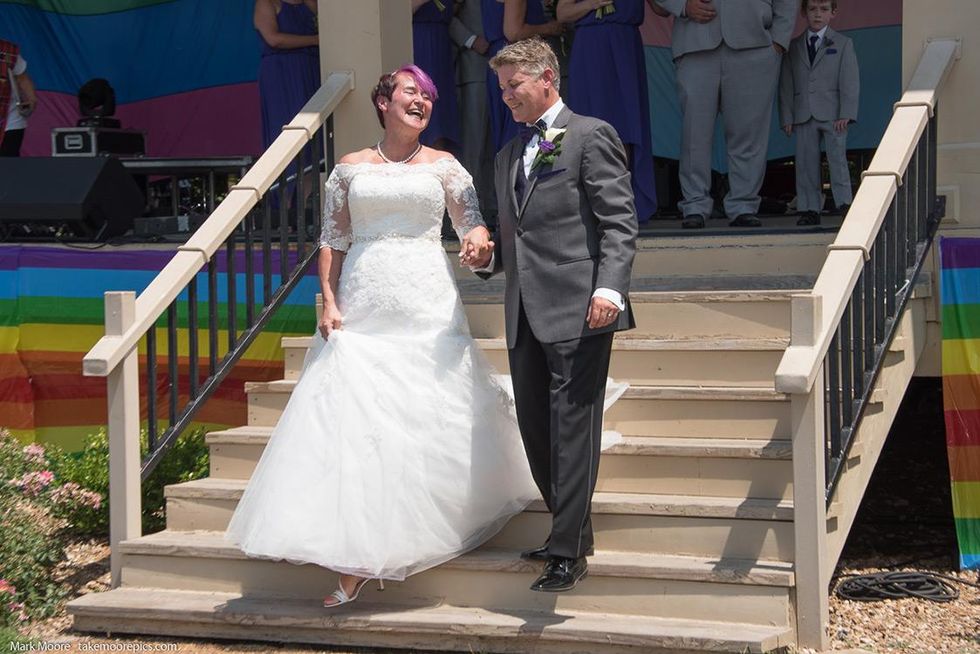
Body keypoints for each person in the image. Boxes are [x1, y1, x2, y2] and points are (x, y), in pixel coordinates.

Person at [225, 65, 542, 608]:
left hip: (426, 297)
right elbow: (333, 239)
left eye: (428, 96)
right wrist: (328, 299)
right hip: (364, 299)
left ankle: (417, 527)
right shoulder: (349, 168)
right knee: (360, 418)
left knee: (423, 407)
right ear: (383, 102)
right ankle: (356, 552)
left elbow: (472, 223)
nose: (421, 101)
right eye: (411, 92)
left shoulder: (445, 166)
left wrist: (479, 243)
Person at [475, 37, 637, 592]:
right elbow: (514, 238)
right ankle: (570, 532)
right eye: (501, 87)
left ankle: (567, 552)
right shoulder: (507, 155)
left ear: (547, 78)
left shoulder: (591, 135)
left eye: (514, 85)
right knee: (537, 429)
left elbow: (619, 222)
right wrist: (486, 258)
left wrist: (610, 289)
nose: (506, 96)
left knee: (572, 427)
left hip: (581, 306)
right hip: (523, 310)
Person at [655, 0, 796, 229]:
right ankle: (694, 205)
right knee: (694, 134)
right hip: (695, 43)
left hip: (755, 44)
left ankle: (744, 204)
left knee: (749, 133)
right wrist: (683, 5)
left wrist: (779, 40)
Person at [557, 0, 660, 223]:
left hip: (624, 44)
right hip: (590, 47)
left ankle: (620, 202)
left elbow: (660, 9)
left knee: (625, 126)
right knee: (586, 127)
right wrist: (593, 3)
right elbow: (563, 13)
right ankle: (591, 204)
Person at [779, 0, 859, 226]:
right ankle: (809, 208)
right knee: (805, 163)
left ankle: (844, 203)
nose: (818, 15)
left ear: (833, 13)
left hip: (834, 114)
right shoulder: (794, 46)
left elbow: (850, 80)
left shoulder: (843, 43)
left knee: (837, 159)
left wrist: (847, 112)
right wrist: (787, 116)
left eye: (824, 10)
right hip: (803, 113)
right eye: (812, 9)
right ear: (804, 12)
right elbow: (786, 83)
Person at [482, 0, 564, 152]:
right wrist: (550, 28)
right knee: (516, 132)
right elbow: (513, 31)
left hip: (504, 62)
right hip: (516, 64)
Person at [449, 0, 497, 221]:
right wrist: (469, 39)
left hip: (506, 65)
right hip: (474, 66)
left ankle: (494, 206)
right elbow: (444, 14)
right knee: (474, 145)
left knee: (496, 143)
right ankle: (469, 210)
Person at [254, 0, 320, 151]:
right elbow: (273, 39)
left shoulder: (310, 3)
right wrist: (314, 40)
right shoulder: (266, 3)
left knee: (312, 118)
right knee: (284, 119)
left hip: (310, 68)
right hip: (281, 71)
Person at [412, 0, 462, 151]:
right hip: (421, 38)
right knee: (426, 96)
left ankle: (443, 151)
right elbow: (399, 12)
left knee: (443, 104)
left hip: (442, 39)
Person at [0, 39, 36, 157]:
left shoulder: (7, 50)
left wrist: (32, 99)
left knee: (9, 162)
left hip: (9, 120)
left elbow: (22, 77)